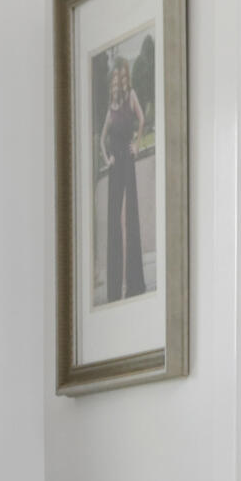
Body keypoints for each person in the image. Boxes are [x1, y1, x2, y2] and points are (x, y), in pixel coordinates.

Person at [99, 54, 148, 302]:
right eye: (116, 80)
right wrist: (107, 158)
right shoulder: (111, 110)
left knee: (130, 217)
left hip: (128, 161)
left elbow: (142, 120)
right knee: (115, 222)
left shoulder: (132, 97)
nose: (119, 83)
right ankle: (115, 288)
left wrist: (137, 144)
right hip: (115, 166)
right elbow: (101, 139)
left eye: (121, 78)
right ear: (113, 84)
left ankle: (134, 282)